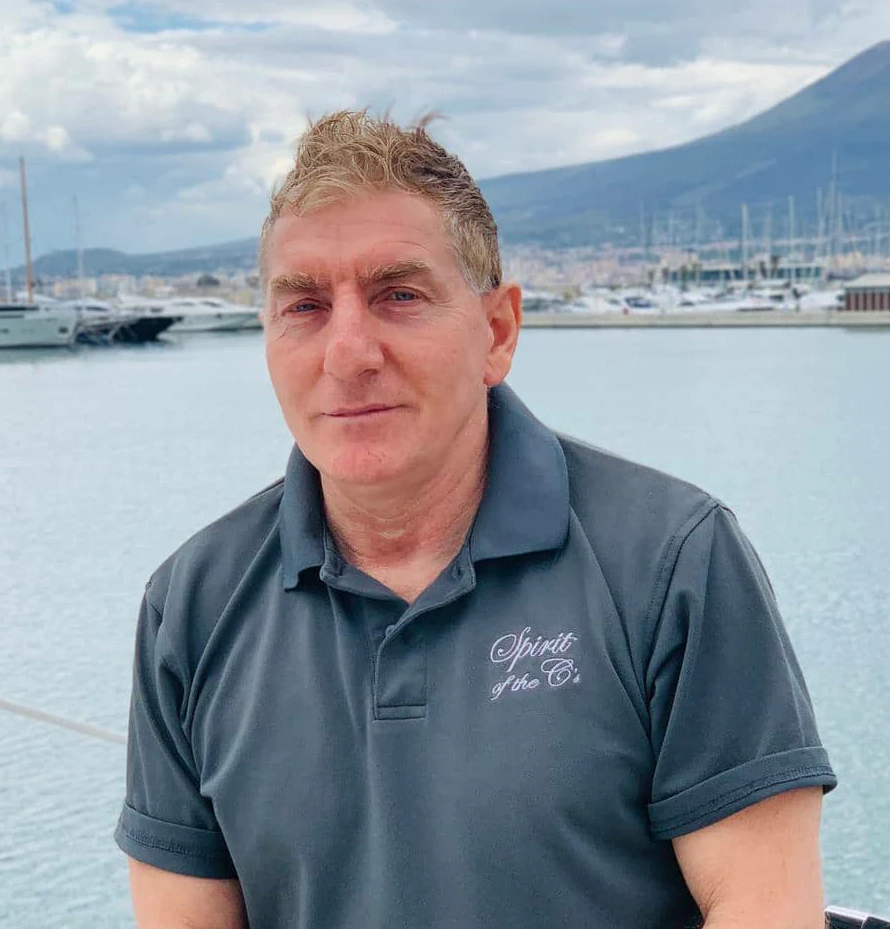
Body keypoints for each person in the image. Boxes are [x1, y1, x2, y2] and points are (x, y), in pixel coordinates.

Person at [115, 110, 836, 928]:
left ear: (498, 331)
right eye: (305, 305)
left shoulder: (673, 563)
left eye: (398, 295)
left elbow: (765, 904)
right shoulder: (191, 607)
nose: (347, 352)